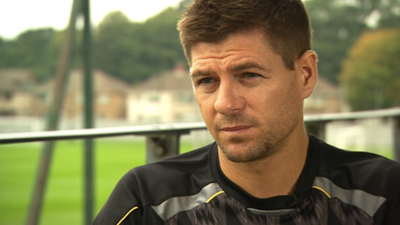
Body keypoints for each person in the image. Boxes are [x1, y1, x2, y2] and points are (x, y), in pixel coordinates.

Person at [93, 0, 400, 224]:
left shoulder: (382, 196)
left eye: (249, 75)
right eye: (207, 81)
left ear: (305, 75)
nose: (225, 103)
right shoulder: (149, 203)